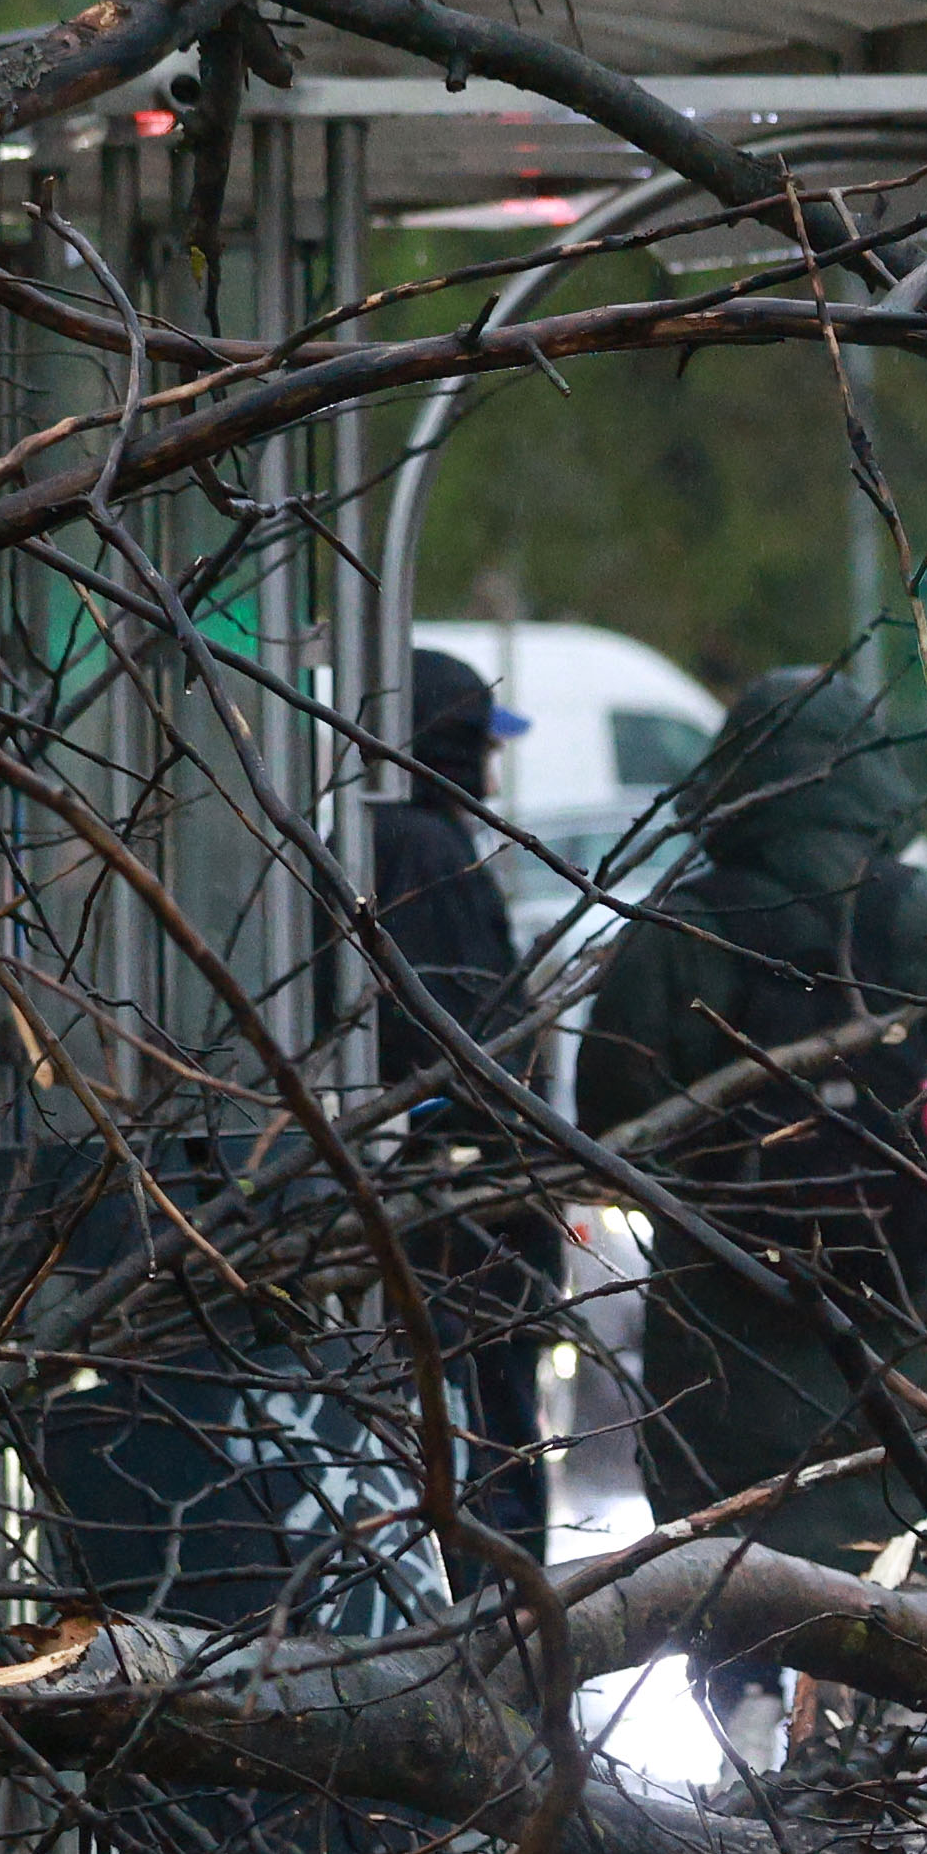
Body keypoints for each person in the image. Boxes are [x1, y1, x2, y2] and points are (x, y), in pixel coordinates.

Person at [572, 659, 927, 1595]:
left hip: (726, 1333)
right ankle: (921, 1732)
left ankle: (739, 1716)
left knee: (728, 1579)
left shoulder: (675, 933)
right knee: (925, 1578)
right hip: (918, 1329)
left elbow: (611, 1121)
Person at [365, 650, 560, 1580]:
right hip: (467, 1216)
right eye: (482, 743)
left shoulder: (409, 846)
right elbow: (456, 1041)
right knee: (492, 1451)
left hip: (458, 1205)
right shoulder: (428, 857)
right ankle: (505, 1667)